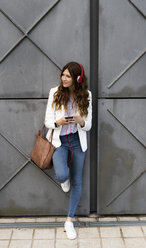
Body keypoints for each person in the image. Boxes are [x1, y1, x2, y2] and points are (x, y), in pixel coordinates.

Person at [44, 61, 92, 239]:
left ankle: (69, 220)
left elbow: (88, 126)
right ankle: (64, 180)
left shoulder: (86, 95)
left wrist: (80, 120)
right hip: (60, 142)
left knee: (77, 181)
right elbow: (47, 121)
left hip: (78, 143)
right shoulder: (54, 93)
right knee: (62, 175)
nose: (63, 79)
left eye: (68, 76)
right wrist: (59, 122)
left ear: (77, 79)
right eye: (62, 75)